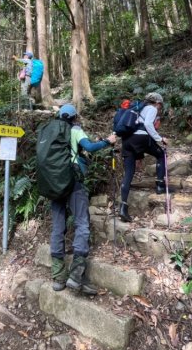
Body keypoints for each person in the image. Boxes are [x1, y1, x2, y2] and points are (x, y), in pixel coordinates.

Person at [51, 104, 116, 294]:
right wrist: (107, 141)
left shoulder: (51, 131)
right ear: (73, 117)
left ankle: (58, 277)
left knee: (57, 227)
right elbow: (89, 147)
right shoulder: (75, 130)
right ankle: (76, 275)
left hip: (53, 183)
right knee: (82, 222)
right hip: (72, 182)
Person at [119, 92, 168, 223]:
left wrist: (139, 156)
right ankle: (159, 185)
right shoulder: (151, 109)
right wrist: (160, 139)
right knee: (161, 154)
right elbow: (147, 124)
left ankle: (123, 207)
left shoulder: (137, 109)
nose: (159, 108)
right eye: (160, 106)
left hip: (127, 141)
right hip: (141, 138)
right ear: (157, 103)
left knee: (129, 173)